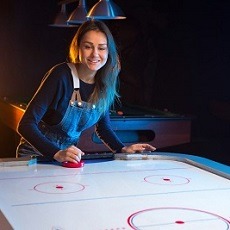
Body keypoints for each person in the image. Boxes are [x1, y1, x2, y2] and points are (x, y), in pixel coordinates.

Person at [16, 20, 156, 164]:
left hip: (66, 158)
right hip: (34, 156)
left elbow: (103, 128)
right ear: (78, 48)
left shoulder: (105, 84)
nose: (95, 54)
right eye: (88, 47)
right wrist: (56, 153)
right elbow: (26, 124)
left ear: (109, 52)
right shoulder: (61, 75)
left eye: (101, 48)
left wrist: (122, 149)